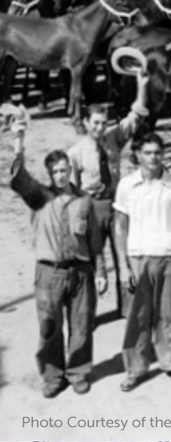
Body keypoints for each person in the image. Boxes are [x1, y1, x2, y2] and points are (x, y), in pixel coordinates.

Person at [10, 125, 104, 398]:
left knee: (82, 324)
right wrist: (18, 141)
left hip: (80, 272)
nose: (61, 176)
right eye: (56, 172)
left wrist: (99, 272)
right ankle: (52, 376)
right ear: (50, 175)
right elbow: (19, 179)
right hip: (49, 274)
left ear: (70, 171)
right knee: (49, 327)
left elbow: (94, 242)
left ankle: (78, 372)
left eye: (65, 170)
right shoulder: (40, 198)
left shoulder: (85, 201)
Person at [115, 133, 171, 391]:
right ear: (138, 155)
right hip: (139, 256)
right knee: (138, 317)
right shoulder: (127, 185)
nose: (153, 157)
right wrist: (122, 265)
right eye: (148, 152)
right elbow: (119, 226)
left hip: (169, 255)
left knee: (169, 315)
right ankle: (135, 368)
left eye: (157, 152)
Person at [68, 74, 150, 318]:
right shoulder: (76, 153)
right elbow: (72, 189)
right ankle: (88, 313)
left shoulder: (114, 138)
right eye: (95, 123)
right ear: (85, 122)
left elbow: (136, 116)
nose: (100, 128)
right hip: (91, 206)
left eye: (103, 123)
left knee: (124, 253)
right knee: (93, 260)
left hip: (115, 204)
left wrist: (142, 86)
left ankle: (128, 309)